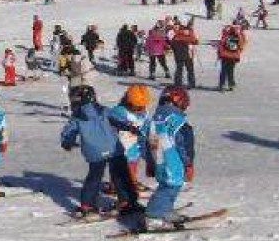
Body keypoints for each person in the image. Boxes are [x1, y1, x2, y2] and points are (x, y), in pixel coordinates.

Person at [60, 84, 144, 218]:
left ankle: (87, 205)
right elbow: (118, 120)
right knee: (121, 175)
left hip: (94, 152)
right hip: (113, 148)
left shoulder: (76, 117)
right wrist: (130, 127)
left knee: (94, 178)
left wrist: (67, 142)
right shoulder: (104, 111)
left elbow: (68, 132)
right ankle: (127, 201)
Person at [144, 85, 194, 230]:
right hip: (172, 158)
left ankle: (165, 210)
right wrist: (188, 163)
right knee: (170, 185)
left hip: (158, 158)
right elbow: (183, 144)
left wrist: (150, 162)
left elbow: (147, 141)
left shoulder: (154, 119)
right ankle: (154, 216)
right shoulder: (178, 121)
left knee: (168, 184)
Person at [109, 85, 152, 192]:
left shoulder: (144, 113)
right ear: (129, 102)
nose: (140, 109)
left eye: (142, 106)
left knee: (133, 163)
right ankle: (116, 184)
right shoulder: (119, 111)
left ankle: (131, 181)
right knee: (121, 166)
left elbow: (146, 127)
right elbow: (110, 122)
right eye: (137, 107)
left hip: (134, 145)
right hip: (120, 145)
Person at [169, 21, 199, 89]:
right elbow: (195, 41)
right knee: (189, 70)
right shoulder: (186, 35)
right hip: (187, 55)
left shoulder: (176, 36)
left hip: (180, 55)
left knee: (180, 70)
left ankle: (178, 84)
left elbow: (172, 45)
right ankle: (190, 83)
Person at [217, 23, 246, 92]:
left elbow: (221, 45)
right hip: (233, 57)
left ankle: (222, 85)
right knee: (231, 71)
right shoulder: (238, 37)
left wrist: (219, 54)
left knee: (223, 71)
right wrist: (238, 53)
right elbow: (241, 46)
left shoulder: (226, 36)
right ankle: (231, 85)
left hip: (225, 56)